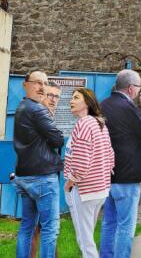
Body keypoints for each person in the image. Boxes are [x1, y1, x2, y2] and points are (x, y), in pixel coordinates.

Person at [100, 69, 141, 258]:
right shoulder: (129, 108)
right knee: (125, 226)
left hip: (107, 176)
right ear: (132, 89)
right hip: (127, 177)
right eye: (139, 87)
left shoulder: (103, 105)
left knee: (109, 224)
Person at [13, 71, 64, 258]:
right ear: (25, 85)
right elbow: (58, 140)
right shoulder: (37, 109)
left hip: (25, 177)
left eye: (45, 83)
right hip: (42, 177)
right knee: (50, 229)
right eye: (37, 83)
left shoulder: (21, 107)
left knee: (27, 226)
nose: (42, 87)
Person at [63, 87, 115, 258]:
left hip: (83, 191)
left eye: (76, 97)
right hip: (100, 189)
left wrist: (70, 182)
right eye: (71, 97)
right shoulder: (100, 123)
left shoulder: (84, 123)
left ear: (87, 102)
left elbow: (82, 161)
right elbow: (111, 155)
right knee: (88, 238)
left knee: (85, 241)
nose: (71, 100)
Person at [30, 78, 62, 256]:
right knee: (41, 227)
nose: (53, 99)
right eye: (49, 95)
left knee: (45, 226)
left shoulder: (48, 117)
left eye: (57, 97)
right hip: (39, 178)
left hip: (46, 177)